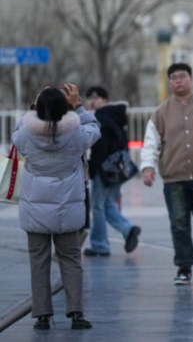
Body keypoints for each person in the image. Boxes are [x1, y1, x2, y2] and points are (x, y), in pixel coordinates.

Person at [12, 85, 100, 330]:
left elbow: (17, 133)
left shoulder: (27, 134)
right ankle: (76, 313)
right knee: (71, 260)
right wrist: (78, 105)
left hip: (34, 209)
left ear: (37, 109)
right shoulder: (75, 134)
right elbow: (94, 129)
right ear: (66, 108)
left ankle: (41, 315)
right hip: (67, 209)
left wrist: (37, 105)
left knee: (38, 261)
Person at [140, 63, 193, 285]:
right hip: (174, 178)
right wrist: (147, 168)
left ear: (191, 79)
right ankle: (184, 266)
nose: (178, 80)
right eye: (174, 78)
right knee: (179, 223)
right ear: (169, 82)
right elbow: (151, 143)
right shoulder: (161, 112)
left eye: (182, 76)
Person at [83, 86, 141, 257]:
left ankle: (100, 246)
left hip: (104, 169)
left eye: (97, 97)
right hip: (117, 170)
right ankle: (128, 230)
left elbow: (99, 148)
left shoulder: (101, 118)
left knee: (98, 207)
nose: (92, 100)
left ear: (105, 100)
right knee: (108, 205)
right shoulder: (116, 117)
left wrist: (92, 169)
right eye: (90, 97)